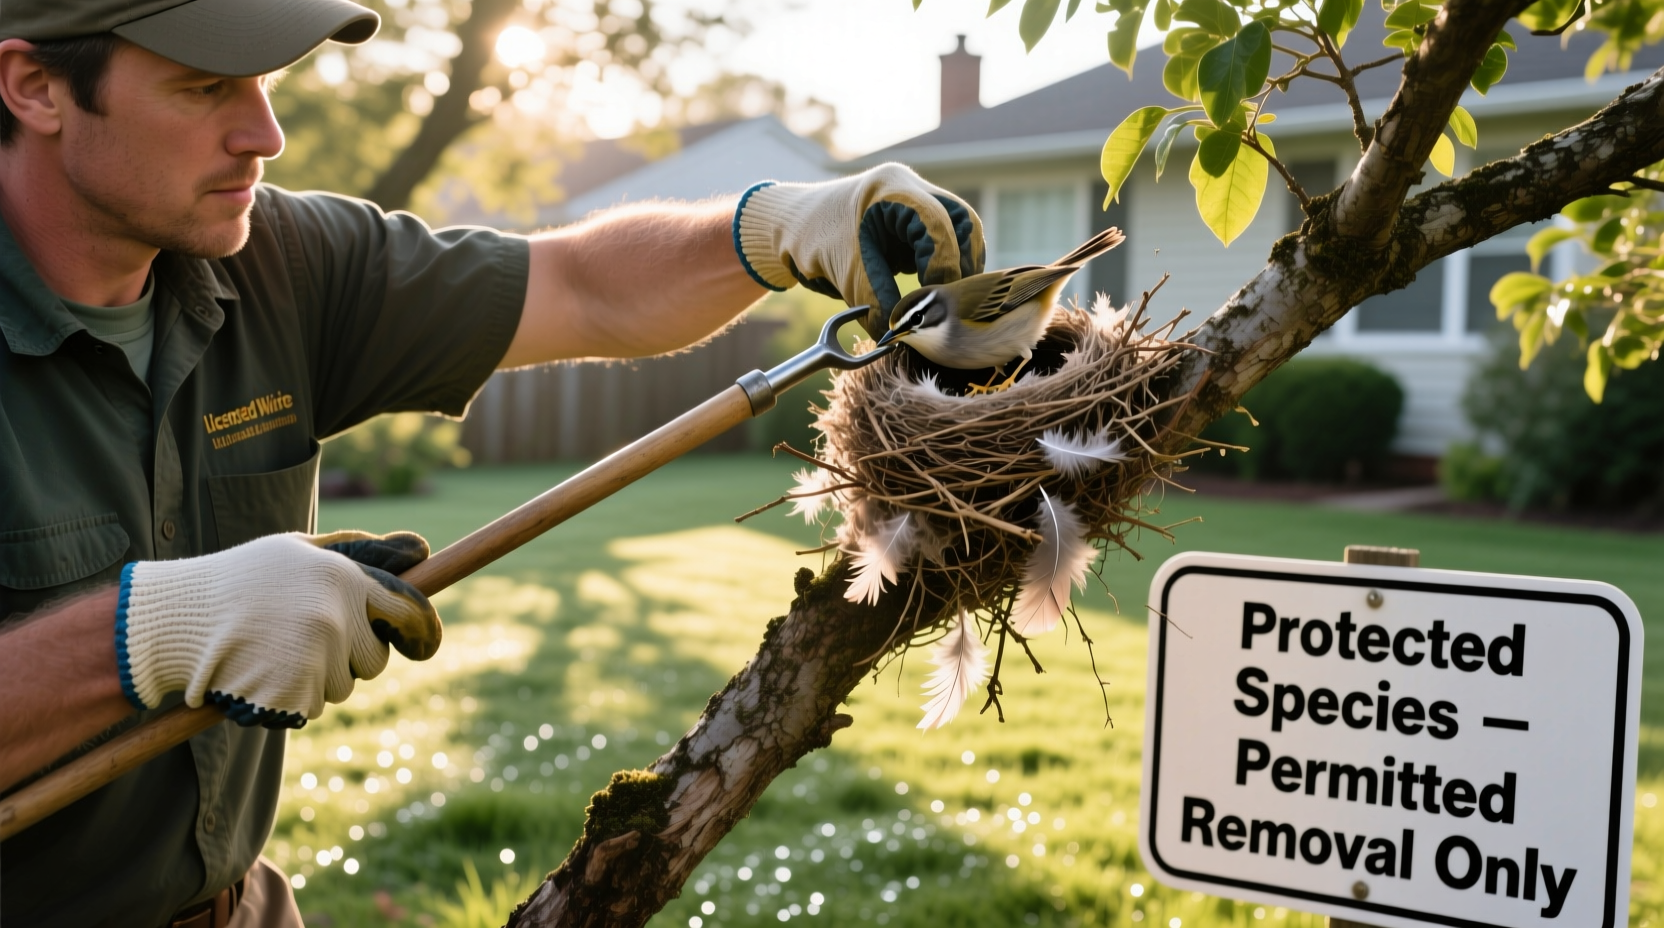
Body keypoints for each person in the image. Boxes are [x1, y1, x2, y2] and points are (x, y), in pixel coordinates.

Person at [0, 1, 985, 925]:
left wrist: (776, 229)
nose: (265, 133)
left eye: (265, 82)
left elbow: (581, 284)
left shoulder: (280, 261)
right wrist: (153, 632)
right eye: (204, 86)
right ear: (35, 87)